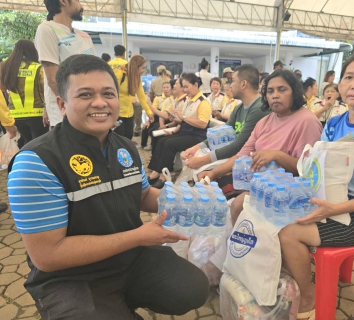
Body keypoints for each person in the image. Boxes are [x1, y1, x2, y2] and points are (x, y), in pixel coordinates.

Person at [6, 54, 209, 320]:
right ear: (62, 104)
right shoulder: (37, 161)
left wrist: (188, 200)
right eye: (85, 95)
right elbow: (47, 255)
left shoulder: (125, 147)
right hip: (69, 275)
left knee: (193, 288)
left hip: (128, 257)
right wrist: (138, 236)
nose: (100, 103)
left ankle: (119, 303)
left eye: (108, 94)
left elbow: (144, 195)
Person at [266, 51, 354, 320]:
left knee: (288, 232)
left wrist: (333, 209)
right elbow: (320, 170)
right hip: (332, 203)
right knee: (271, 215)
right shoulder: (334, 123)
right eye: (349, 77)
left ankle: (309, 298)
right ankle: (292, 282)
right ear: (340, 84)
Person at [197, 70, 322, 192]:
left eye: (282, 89)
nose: (275, 95)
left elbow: (308, 170)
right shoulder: (265, 121)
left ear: (294, 92)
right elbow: (242, 155)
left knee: (235, 205)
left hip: (283, 192)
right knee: (207, 190)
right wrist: (213, 173)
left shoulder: (307, 122)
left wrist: (277, 156)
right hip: (255, 180)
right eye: (270, 91)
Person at [184, 65, 270, 180]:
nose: (230, 85)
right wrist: (197, 147)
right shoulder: (239, 107)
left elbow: (238, 146)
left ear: (244, 84)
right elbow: (222, 134)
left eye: (233, 81)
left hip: (248, 163)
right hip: (235, 155)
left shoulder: (258, 109)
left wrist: (203, 160)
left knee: (203, 173)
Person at [34, 0, 96, 128]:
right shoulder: (47, 29)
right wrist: (75, 108)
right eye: (78, 1)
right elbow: (53, 80)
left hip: (88, 111)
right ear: (62, 2)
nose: (82, 6)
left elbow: (95, 74)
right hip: (66, 115)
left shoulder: (85, 36)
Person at [148, 73, 211, 188]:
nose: (184, 90)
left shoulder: (203, 102)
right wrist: (176, 120)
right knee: (162, 140)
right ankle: (156, 171)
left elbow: (203, 124)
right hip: (186, 132)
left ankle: (162, 176)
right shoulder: (189, 100)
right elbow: (184, 120)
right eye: (183, 87)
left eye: (186, 87)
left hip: (197, 136)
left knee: (169, 144)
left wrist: (183, 118)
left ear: (195, 85)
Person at [0, 39, 48, 147]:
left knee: (23, 145)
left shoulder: (4, 67)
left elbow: (2, 89)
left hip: (15, 115)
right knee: (39, 146)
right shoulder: (38, 68)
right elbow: (45, 91)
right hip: (37, 114)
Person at [113, 55, 154, 140]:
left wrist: (149, 112)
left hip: (129, 113)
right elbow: (110, 94)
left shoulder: (137, 78)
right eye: (143, 68)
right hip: (117, 113)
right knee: (119, 138)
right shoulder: (119, 74)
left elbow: (142, 97)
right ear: (136, 67)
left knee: (128, 136)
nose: (144, 71)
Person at [141, 81, 172, 151]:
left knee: (154, 129)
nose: (166, 89)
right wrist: (149, 121)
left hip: (166, 117)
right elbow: (153, 110)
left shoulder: (172, 98)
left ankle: (153, 145)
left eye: (167, 87)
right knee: (146, 126)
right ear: (162, 89)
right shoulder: (158, 98)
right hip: (157, 115)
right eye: (164, 87)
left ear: (170, 88)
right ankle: (143, 144)